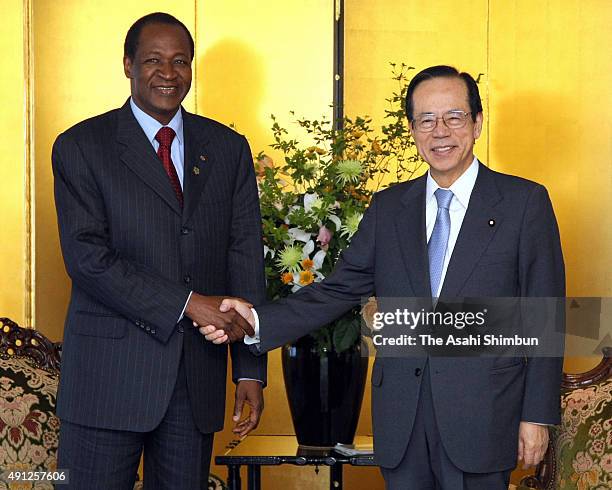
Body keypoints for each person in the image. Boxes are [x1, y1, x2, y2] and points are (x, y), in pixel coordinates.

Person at [202, 66, 565, 489]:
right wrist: (257, 321)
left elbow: (546, 317)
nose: (440, 131)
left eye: (454, 116)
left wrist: (536, 416)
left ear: (478, 123)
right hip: (402, 418)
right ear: (412, 130)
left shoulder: (524, 203)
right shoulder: (390, 208)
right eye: (426, 120)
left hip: (482, 416)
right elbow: (339, 289)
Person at [52, 12, 266, 489]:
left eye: (180, 61)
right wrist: (189, 304)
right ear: (127, 65)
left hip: (194, 385)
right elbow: (88, 259)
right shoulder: (82, 146)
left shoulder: (228, 149)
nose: (168, 74)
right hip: (106, 383)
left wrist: (250, 370)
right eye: (153, 60)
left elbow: (245, 257)